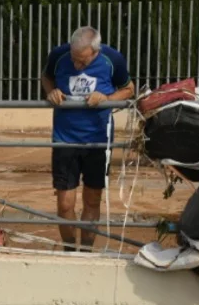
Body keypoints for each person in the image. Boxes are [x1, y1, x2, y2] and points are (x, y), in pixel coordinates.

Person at [40, 26, 134, 251]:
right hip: (65, 139)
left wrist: (107, 97)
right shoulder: (58, 55)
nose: (76, 66)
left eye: (82, 62)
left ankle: (86, 251)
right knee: (65, 204)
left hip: (98, 141)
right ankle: (70, 249)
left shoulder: (113, 59)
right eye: (74, 59)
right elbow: (46, 76)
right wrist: (50, 91)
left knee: (92, 200)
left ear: (96, 52)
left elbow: (129, 89)